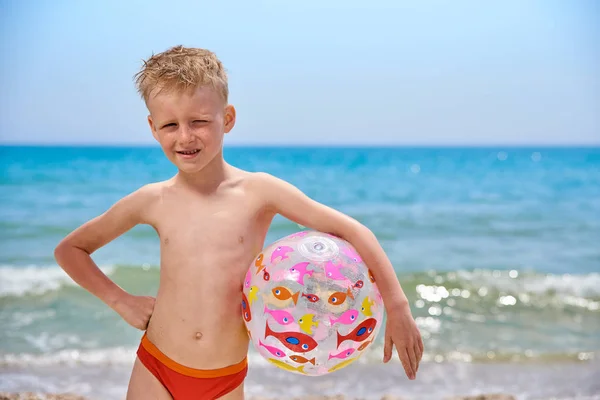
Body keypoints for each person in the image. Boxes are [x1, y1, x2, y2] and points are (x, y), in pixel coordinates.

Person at [54, 45, 423, 400]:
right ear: (152, 127)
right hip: (156, 366)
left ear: (227, 118)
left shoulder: (259, 191)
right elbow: (71, 249)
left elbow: (353, 231)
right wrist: (121, 301)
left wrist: (397, 307)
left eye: (199, 121)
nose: (185, 136)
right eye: (170, 125)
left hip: (224, 379)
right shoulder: (153, 200)